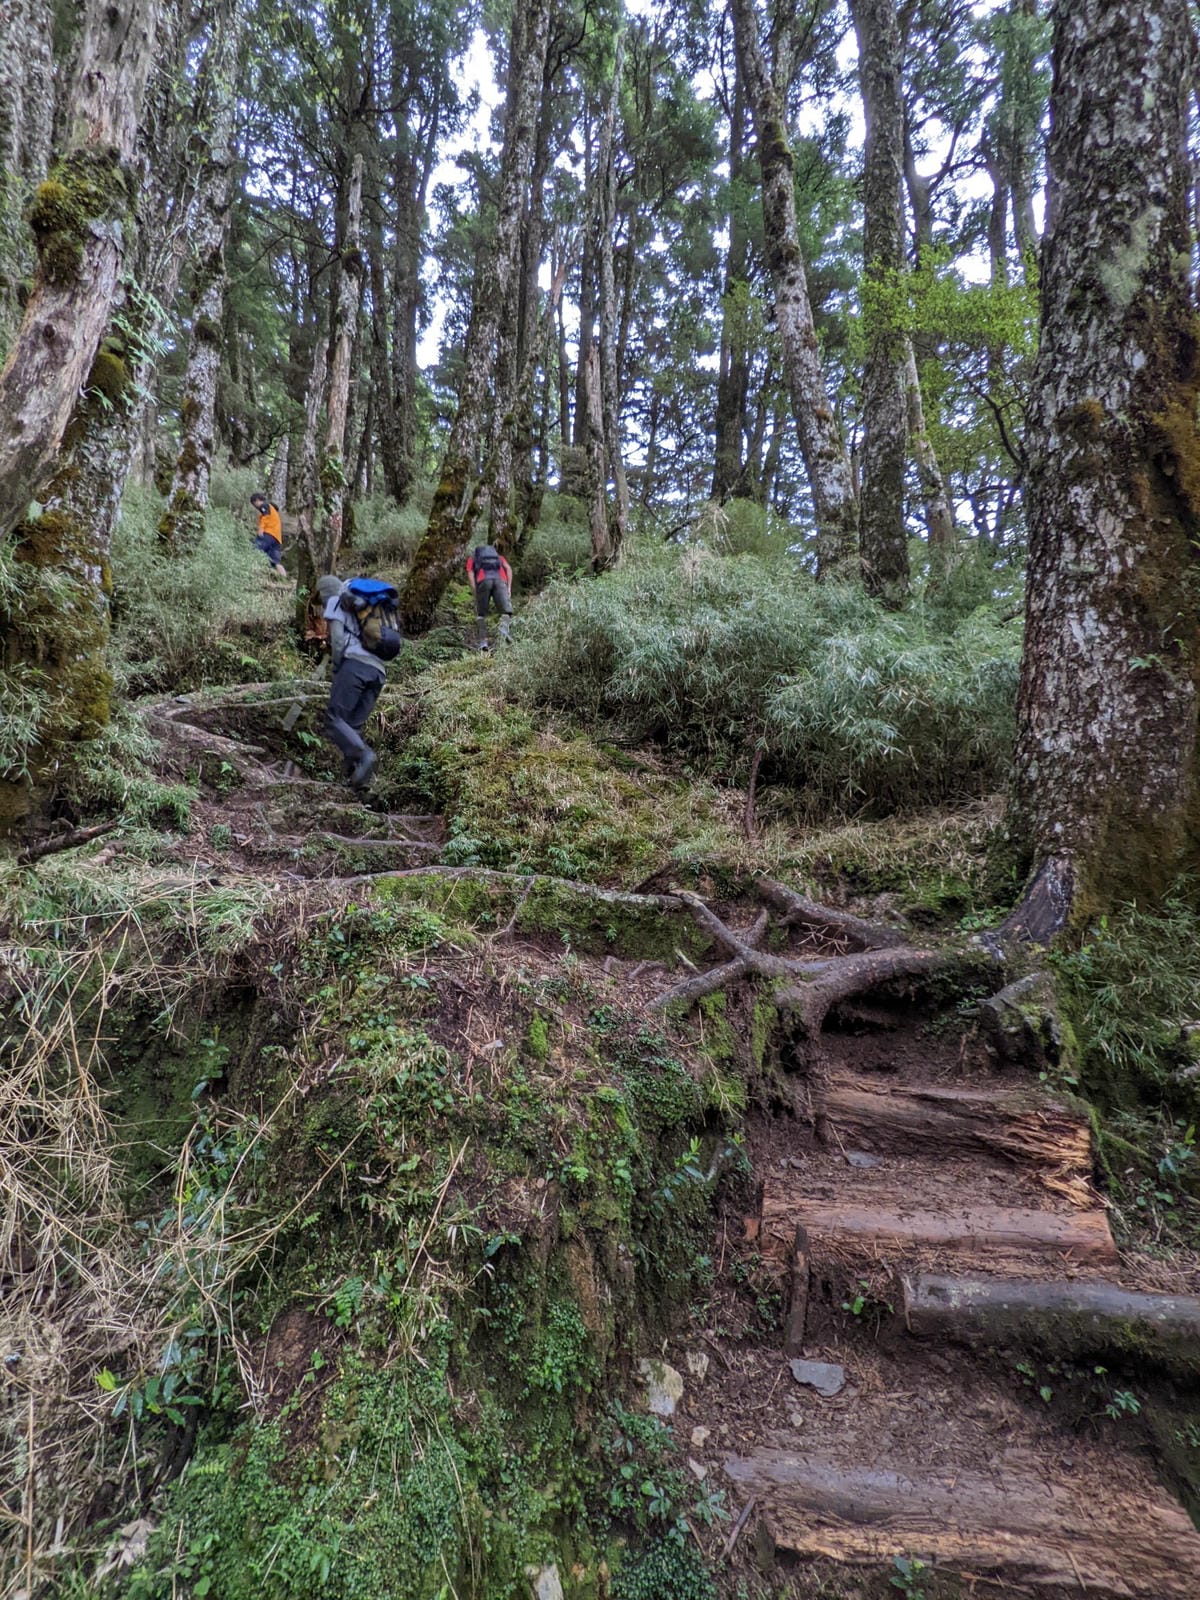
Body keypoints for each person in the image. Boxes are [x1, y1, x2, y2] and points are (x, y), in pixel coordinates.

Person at [317, 574, 389, 790]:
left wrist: (338, 666)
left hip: (355, 666)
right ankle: (355, 784)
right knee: (351, 727)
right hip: (378, 671)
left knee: (334, 719)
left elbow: (338, 641)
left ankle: (366, 754)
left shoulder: (334, 600)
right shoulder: (366, 609)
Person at [465, 543, 513, 652]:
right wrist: (509, 587)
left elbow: (470, 575)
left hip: (483, 581)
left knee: (481, 614)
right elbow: (508, 569)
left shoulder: (473, 559)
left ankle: (483, 643)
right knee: (506, 611)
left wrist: (475, 593)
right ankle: (504, 630)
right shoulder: (499, 558)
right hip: (501, 580)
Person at [249, 493, 287, 579]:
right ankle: (284, 578)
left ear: (257, 500)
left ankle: (252, 574)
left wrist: (261, 529)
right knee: (275, 562)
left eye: (254, 504)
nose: (255, 506)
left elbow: (266, 517)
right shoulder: (272, 509)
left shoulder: (264, 505)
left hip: (268, 534)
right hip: (277, 538)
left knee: (255, 550)